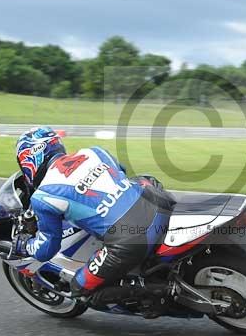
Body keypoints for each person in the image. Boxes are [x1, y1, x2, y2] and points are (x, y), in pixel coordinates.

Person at [12, 126, 175, 299]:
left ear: (30, 159)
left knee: (80, 289)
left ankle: (165, 291)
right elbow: (122, 174)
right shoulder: (94, 152)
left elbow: (46, 250)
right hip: (159, 203)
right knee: (142, 179)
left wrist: (25, 245)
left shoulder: (43, 196)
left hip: (130, 239)